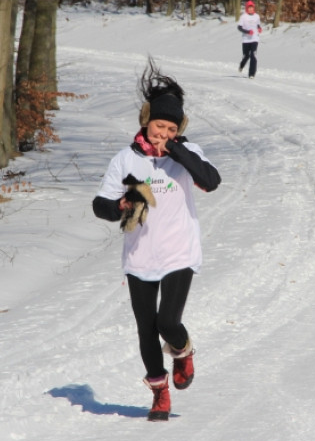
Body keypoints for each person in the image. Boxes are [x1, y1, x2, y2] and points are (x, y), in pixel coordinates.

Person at [92, 61, 221, 421]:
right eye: (158, 125)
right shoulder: (125, 159)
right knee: (146, 329)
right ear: (145, 122)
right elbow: (99, 204)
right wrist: (119, 205)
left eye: (171, 128)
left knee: (168, 322)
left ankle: (182, 351)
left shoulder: (187, 154)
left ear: (179, 130)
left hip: (180, 251)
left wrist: (178, 150)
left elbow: (211, 181)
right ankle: (159, 392)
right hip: (140, 257)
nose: (162, 132)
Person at [237, 0, 262, 78]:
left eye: (252, 8)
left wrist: (259, 28)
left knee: (253, 55)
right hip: (246, 39)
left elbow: (258, 24)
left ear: (253, 8)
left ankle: (252, 73)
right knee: (246, 56)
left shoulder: (257, 16)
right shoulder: (243, 16)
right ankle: (241, 65)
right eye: (249, 8)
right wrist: (247, 32)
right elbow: (239, 27)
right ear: (246, 8)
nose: (250, 9)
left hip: (255, 38)